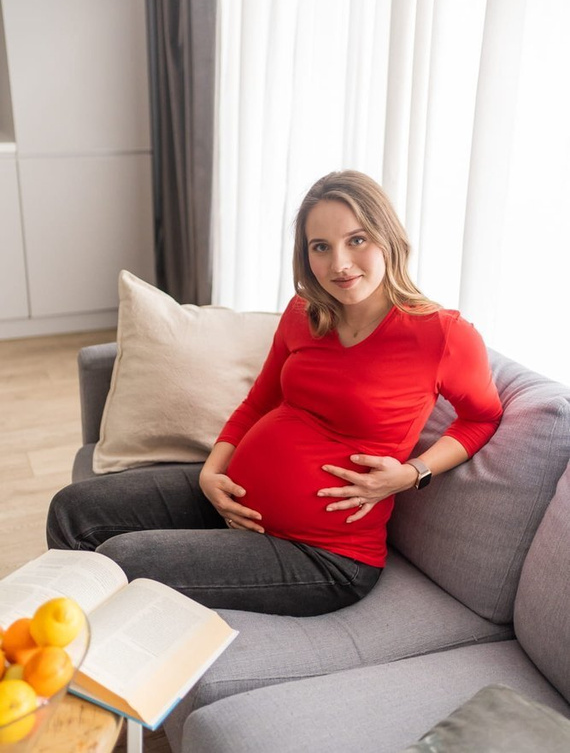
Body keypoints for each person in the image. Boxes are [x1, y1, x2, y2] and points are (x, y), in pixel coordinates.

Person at [47, 170, 503, 616]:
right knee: (73, 509)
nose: (339, 264)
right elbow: (259, 403)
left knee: (125, 560)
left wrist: (411, 473)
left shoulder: (442, 335)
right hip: (233, 499)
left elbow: (481, 418)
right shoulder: (305, 312)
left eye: (357, 240)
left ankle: (70, 668)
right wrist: (211, 472)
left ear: (388, 239)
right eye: (320, 247)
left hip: (325, 556)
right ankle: (49, 655)